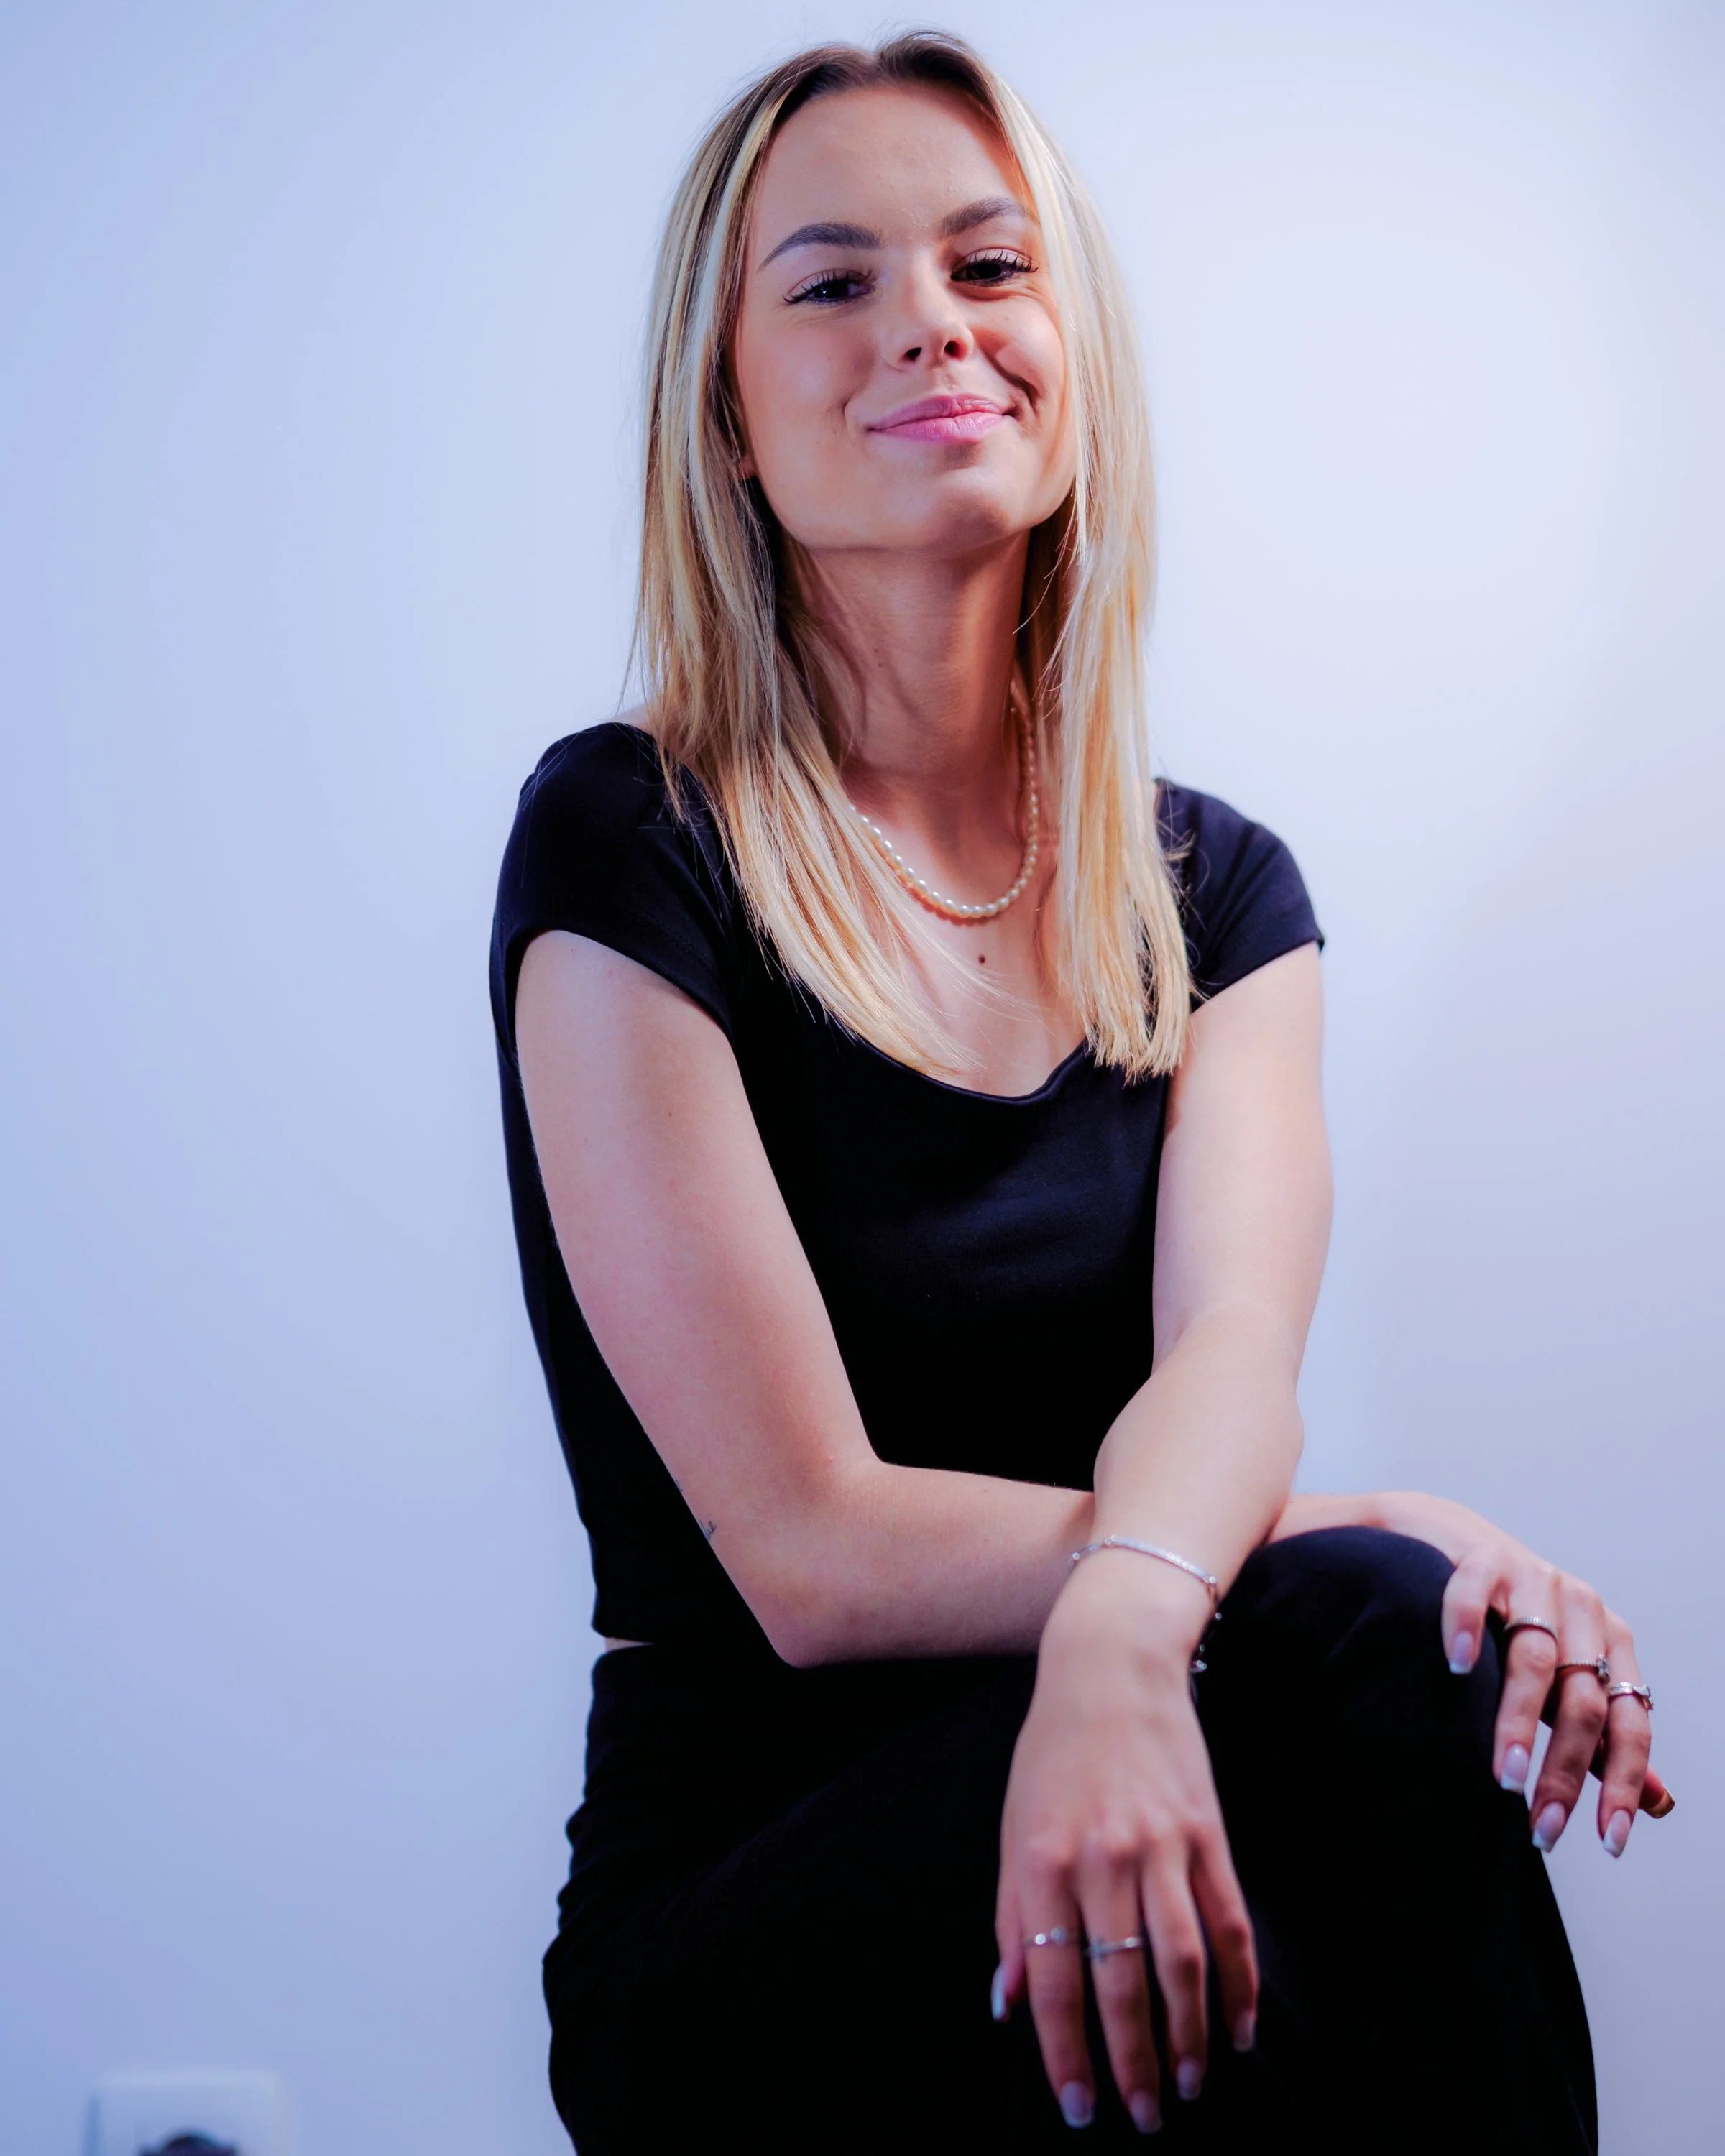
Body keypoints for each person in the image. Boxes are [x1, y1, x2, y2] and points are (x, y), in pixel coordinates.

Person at [489, 32, 1668, 2152]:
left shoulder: (1219, 897)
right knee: (1376, 1618)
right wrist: (1257, 1569)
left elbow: (1233, 1349)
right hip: (762, 1893)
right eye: (831, 283)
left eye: (989, 261)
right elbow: (811, 1551)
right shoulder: (627, 840)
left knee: (1367, 1686)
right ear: (729, 423)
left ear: (1069, 351)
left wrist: (1143, 1638)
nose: (927, 319)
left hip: (1153, 1774)